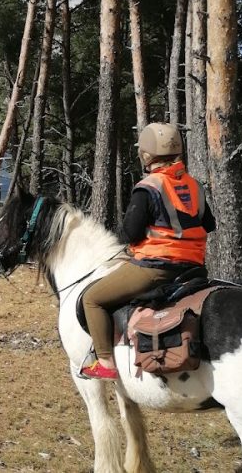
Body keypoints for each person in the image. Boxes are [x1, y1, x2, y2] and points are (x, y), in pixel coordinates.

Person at [80, 122, 217, 380]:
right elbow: (209, 224)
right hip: (194, 268)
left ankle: (105, 363)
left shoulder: (149, 187)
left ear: (146, 154)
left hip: (155, 269)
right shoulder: (194, 186)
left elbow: (131, 233)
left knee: (92, 299)